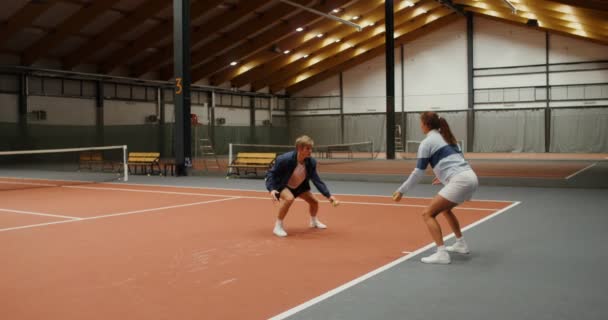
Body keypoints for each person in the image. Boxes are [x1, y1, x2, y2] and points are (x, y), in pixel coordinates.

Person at [393, 112, 478, 264]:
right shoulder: (448, 138)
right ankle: (461, 244)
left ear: (426, 125)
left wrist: (401, 190)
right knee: (445, 210)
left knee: (428, 214)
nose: (420, 126)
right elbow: (456, 161)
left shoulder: (427, 143)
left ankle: (442, 253)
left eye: (421, 123)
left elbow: (419, 172)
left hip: (460, 180)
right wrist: (442, 176)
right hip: (470, 176)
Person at [265, 135, 338, 237]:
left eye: (311, 148)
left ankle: (313, 221)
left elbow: (316, 180)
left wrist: (328, 195)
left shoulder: (311, 162)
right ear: (299, 148)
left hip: (299, 186)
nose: (310, 151)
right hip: (283, 184)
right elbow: (271, 174)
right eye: (308, 148)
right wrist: (272, 189)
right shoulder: (284, 159)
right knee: (289, 199)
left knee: (314, 202)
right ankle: (278, 226)